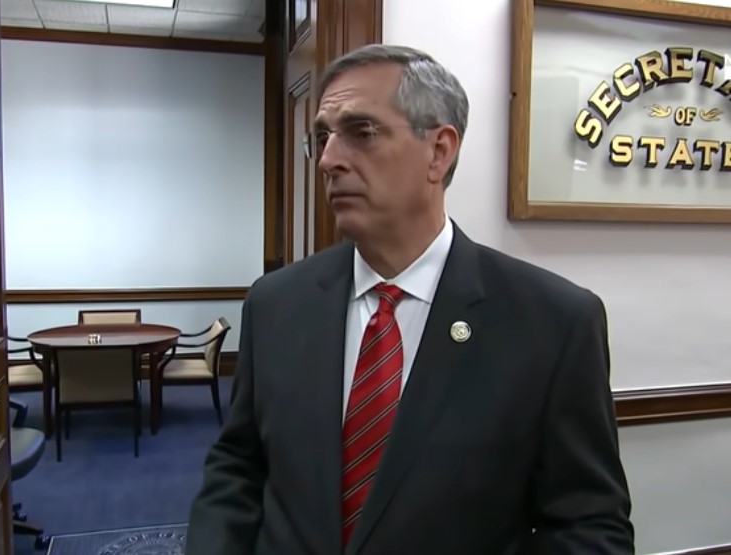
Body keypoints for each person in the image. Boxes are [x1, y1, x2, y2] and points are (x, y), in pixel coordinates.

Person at [185, 44, 635, 555]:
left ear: (439, 152)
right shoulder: (275, 304)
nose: (328, 160)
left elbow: (589, 527)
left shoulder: (553, 324)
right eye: (323, 137)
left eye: (361, 132)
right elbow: (238, 468)